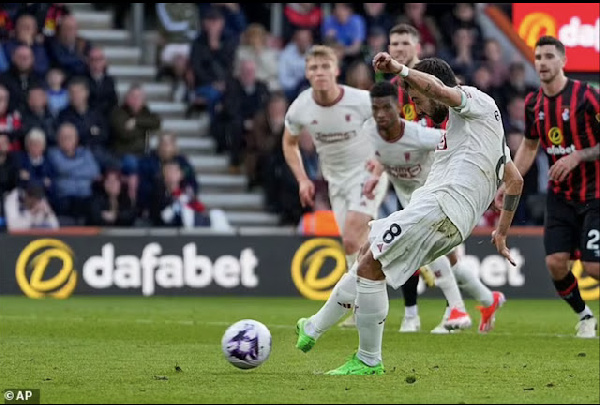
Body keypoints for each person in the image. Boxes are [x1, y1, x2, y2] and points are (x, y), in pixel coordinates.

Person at [321, 54, 523, 375]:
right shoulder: (484, 131)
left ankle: (359, 352)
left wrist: (401, 69)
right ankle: (476, 302)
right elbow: (515, 180)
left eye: (417, 99)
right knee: (369, 253)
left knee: (371, 262)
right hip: (450, 218)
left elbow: (441, 93)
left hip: (441, 207)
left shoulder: (472, 100)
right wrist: (501, 231)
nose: (421, 108)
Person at [363, 81, 506, 334]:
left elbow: (458, 141)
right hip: (408, 198)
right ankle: (487, 299)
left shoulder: (420, 132)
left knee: (435, 253)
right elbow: (388, 152)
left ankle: (456, 310)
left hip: (436, 197)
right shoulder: (374, 132)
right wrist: (377, 173)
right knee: (449, 259)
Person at [388, 23, 502, 334]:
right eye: (393, 43)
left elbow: (456, 127)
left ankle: (452, 310)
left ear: (416, 48)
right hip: (405, 176)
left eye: (403, 43)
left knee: (429, 244)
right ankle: (484, 298)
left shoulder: (441, 85)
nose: (397, 48)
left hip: (437, 170)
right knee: (441, 251)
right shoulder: (395, 91)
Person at [495, 36, 599, 338]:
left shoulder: (587, 96)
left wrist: (579, 155)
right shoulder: (533, 104)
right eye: (538, 57)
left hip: (595, 193)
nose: (542, 62)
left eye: (549, 56)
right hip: (561, 195)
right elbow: (528, 147)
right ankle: (585, 316)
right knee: (555, 263)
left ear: (563, 61)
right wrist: (510, 180)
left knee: (594, 267)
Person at [283, 45, 388, 340]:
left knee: (352, 236)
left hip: (368, 174)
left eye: (324, 67)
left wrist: (380, 162)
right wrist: (303, 179)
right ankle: (397, 259)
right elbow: (289, 143)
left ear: (336, 70)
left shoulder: (360, 100)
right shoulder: (301, 107)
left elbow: (390, 125)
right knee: (354, 246)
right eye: (313, 68)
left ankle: (357, 307)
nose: (319, 73)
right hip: (336, 182)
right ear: (307, 73)